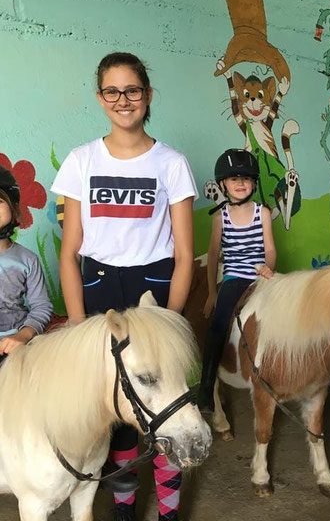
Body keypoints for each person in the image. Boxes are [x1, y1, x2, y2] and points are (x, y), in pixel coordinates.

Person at [51, 52, 197, 521]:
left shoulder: (171, 163)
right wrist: (77, 323)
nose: (123, 100)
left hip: (153, 288)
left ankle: (169, 510)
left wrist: (171, 320)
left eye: (132, 90)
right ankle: (124, 508)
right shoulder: (81, 160)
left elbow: (183, 255)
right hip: (97, 289)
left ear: (147, 95)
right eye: (112, 91)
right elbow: (69, 252)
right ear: (100, 98)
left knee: (164, 404)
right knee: (115, 415)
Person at [197, 149, 275, 413]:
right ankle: (206, 387)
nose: (240, 184)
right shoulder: (221, 217)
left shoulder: (262, 212)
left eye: (245, 178)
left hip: (261, 276)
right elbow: (213, 254)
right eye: (233, 179)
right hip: (234, 278)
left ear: (253, 182)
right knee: (218, 325)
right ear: (223, 184)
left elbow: (270, 248)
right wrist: (211, 294)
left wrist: (269, 268)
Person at [0, 166, 52, 356]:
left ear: (13, 209)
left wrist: (23, 336)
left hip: (17, 347)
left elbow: (42, 306)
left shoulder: (27, 259)